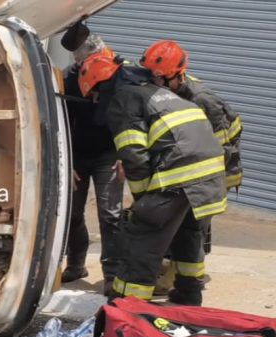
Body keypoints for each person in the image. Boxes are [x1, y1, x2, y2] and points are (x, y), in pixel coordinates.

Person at [78, 54, 228, 305]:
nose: (94, 101)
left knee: (142, 237)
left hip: (179, 171)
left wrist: (143, 201)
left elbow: (134, 155)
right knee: (188, 233)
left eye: (94, 95)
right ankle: (189, 293)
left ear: (101, 87)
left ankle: (128, 304)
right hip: (210, 173)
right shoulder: (156, 93)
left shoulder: (122, 100)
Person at [140, 40, 244, 295]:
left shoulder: (201, 99)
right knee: (182, 224)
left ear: (179, 74)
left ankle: (178, 280)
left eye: (161, 78)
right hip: (191, 169)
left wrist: (206, 180)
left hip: (215, 171)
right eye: (153, 77)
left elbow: (219, 146)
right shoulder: (172, 91)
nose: (156, 83)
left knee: (194, 226)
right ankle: (176, 268)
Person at [61, 35, 124, 296]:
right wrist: (67, 161)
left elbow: (129, 119)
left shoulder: (119, 76)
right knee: (72, 213)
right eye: (80, 62)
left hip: (109, 154)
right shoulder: (68, 78)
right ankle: (76, 264)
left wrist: (124, 155)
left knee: (110, 214)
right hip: (78, 154)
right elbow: (63, 121)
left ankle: (112, 274)